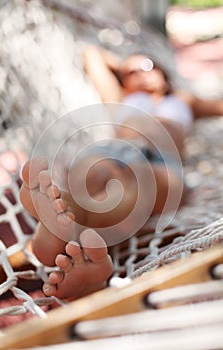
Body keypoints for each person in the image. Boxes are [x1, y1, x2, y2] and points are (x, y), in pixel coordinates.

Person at [19, 45, 223, 301]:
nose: (138, 74)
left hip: (160, 160)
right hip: (113, 149)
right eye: (130, 73)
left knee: (136, 185)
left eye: (146, 67)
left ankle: (67, 227)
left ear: (163, 73)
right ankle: (71, 224)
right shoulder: (121, 95)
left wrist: (140, 65)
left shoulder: (183, 100)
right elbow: (91, 53)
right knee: (94, 174)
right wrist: (128, 67)